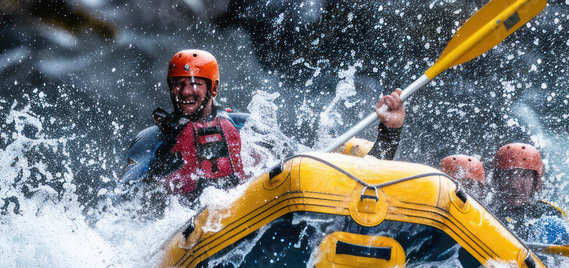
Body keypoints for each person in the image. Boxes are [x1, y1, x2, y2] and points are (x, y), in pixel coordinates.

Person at [120, 49, 406, 208]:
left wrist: (389, 133)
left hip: (239, 217)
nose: (186, 91)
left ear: (214, 88)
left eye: (195, 83)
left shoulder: (245, 125)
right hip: (182, 231)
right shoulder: (154, 139)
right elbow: (127, 203)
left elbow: (313, 165)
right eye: (178, 83)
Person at [489, 143, 569, 245]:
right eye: (508, 175)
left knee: (552, 225)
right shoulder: (486, 213)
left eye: (524, 175)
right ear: (497, 181)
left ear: (536, 183)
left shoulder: (551, 213)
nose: (514, 184)